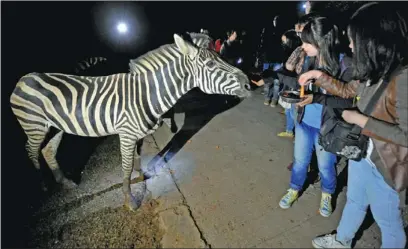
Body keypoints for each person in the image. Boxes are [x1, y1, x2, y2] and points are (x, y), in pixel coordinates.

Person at [298, 3, 408, 248]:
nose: (349, 45)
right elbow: (347, 90)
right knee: (355, 201)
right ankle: (342, 240)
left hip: (387, 167)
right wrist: (318, 77)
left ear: (372, 39)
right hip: (360, 154)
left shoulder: (403, 78)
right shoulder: (371, 69)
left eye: (353, 40)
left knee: (389, 223)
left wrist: (360, 120)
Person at [278, 16, 353, 218]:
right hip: (303, 122)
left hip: (327, 127)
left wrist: (317, 98)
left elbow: (348, 101)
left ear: (321, 42)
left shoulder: (344, 64)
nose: (302, 46)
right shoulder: (310, 59)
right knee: (300, 161)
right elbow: (302, 85)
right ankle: (294, 188)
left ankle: (327, 194)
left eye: (306, 42)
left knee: (325, 166)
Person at [251, 30, 301, 107]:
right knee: (273, 82)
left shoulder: (298, 52)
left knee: (275, 83)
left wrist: (266, 79)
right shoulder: (290, 51)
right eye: (283, 42)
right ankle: (269, 99)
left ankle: (273, 99)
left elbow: (287, 72)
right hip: (273, 66)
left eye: (285, 41)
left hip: (297, 92)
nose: (284, 44)